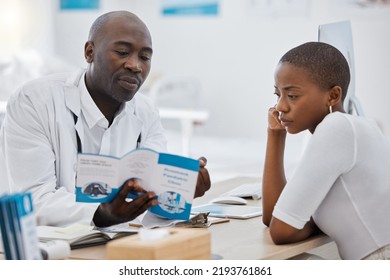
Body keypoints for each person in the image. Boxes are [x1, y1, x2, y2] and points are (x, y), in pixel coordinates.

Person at [0, 11, 210, 228]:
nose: (135, 65)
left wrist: (180, 195)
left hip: (116, 247)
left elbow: (150, 202)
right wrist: (100, 213)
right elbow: (33, 199)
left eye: (145, 57)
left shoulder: (146, 112)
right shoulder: (34, 101)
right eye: (122, 52)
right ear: (90, 52)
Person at [262, 41, 390, 260]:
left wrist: (307, 223)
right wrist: (275, 136)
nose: (280, 107)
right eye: (278, 95)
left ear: (333, 96)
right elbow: (275, 218)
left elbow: (280, 230)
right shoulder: (359, 126)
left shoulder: (335, 128)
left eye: (292, 96)